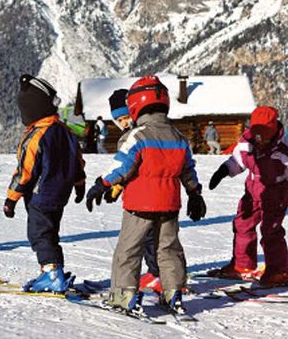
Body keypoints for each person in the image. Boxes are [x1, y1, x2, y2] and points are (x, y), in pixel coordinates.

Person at [85, 76, 205, 314]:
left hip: (140, 205)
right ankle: (173, 294)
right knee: (168, 249)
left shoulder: (138, 135)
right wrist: (194, 194)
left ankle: (124, 295)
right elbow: (188, 170)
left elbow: (122, 166)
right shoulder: (178, 137)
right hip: (170, 205)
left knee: (129, 250)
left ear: (135, 105)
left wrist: (101, 184)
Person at [207, 106, 288, 285]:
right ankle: (242, 264)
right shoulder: (247, 143)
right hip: (252, 192)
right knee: (242, 225)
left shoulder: (286, 149)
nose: (260, 139)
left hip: (275, 194)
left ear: (273, 130)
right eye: (257, 134)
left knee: (271, 231)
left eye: (264, 135)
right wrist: (224, 171)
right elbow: (237, 161)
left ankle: (278, 271)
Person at [4, 74, 86, 293]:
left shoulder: (36, 136)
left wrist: (11, 199)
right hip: (61, 195)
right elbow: (77, 161)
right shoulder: (66, 132)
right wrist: (79, 184)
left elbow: (25, 172)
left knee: (39, 234)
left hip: (40, 195)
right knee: (51, 232)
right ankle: (53, 269)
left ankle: (51, 273)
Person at [102, 88, 163, 295]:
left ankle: (159, 275)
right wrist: (117, 188)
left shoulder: (139, 135)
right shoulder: (131, 135)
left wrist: (110, 185)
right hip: (140, 195)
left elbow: (133, 167)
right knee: (149, 238)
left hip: (148, 195)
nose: (124, 122)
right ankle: (157, 273)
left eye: (127, 116)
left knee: (150, 238)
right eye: (119, 119)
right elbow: (128, 169)